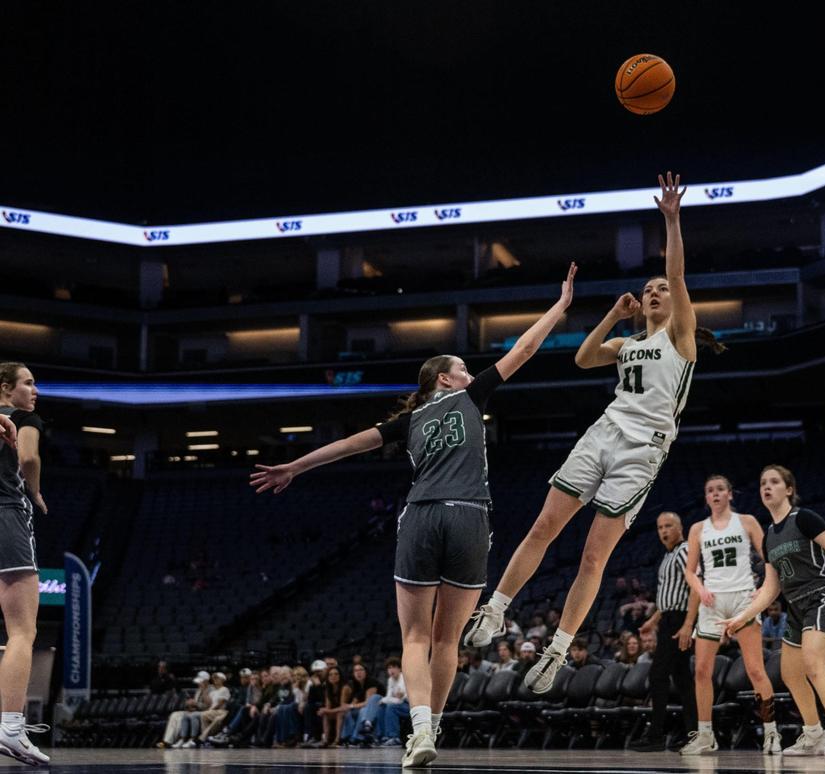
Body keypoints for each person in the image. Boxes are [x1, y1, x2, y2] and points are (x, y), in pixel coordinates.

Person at [252, 264, 576, 767]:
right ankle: (434, 729)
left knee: (416, 638)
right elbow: (525, 350)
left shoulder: (405, 421)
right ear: (446, 379)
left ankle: (419, 729)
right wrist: (560, 306)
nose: (471, 373)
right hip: (469, 517)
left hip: (421, 517)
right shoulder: (471, 396)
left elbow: (343, 447)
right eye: (464, 368)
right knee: (447, 640)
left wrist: (295, 465)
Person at [464, 174, 725, 696]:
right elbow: (584, 357)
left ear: (677, 304)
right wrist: (612, 314)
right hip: (603, 432)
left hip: (642, 449)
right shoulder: (628, 343)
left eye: (661, 290)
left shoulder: (682, 338)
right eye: (648, 289)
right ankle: (494, 611)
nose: (654, 292)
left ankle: (558, 649)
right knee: (543, 526)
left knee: (592, 556)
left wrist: (671, 220)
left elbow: (676, 269)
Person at [722, 465, 825, 758]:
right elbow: (771, 589)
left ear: (789, 489)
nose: (767, 487)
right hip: (796, 607)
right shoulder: (768, 537)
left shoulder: (804, 518)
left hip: (821, 597)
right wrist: (741, 617)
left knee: (814, 665)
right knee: (790, 674)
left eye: (774, 482)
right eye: (763, 483)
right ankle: (814, 735)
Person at [680, 474, 779, 755]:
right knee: (701, 670)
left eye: (720, 489)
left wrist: (763, 588)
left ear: (730, 494)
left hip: (742, 599)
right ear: (706, 497)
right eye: (710, 490)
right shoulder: (698, 528)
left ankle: (772, 733)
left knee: (755, 670)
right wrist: (700, 588)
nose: (715, 494)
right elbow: (689, 570)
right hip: (711, 602)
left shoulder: (746, 521)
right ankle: (705, 735)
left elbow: (768, 557)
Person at [0, 363, 49, 765]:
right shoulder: (24, 418)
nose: (35, 390)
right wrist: (33, 492)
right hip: (7, 518)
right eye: (28, 383)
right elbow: (29, 457)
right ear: (6, 388)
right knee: (22, 630)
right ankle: (10, 728)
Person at [630, 511, 697, 752]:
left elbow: (696, 589)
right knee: (682, 679)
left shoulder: (685, 551)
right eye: (660, 527)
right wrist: (653, 619)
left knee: (658, 676)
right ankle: (693, 733)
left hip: (680, 619)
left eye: (669, 526)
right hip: (669, 617)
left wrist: (688, 624)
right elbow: (668, 598)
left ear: (681, 528)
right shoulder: (668, 555)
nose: (664, 531)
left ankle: (656, 735)